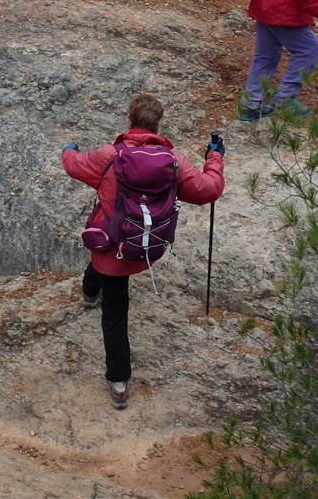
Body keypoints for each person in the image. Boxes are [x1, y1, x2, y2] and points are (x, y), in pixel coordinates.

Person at [61, 93, 225, 410]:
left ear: (129, 121)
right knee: (103, 270)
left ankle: (119, 382)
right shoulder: (174, 161)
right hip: (146, 249)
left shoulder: (109, 156)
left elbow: (73, 165)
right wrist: (215, 157)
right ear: (158, 125)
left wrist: (69, 150)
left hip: (112, 250)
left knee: (114, 313)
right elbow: (209, 190)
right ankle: (89, 290)